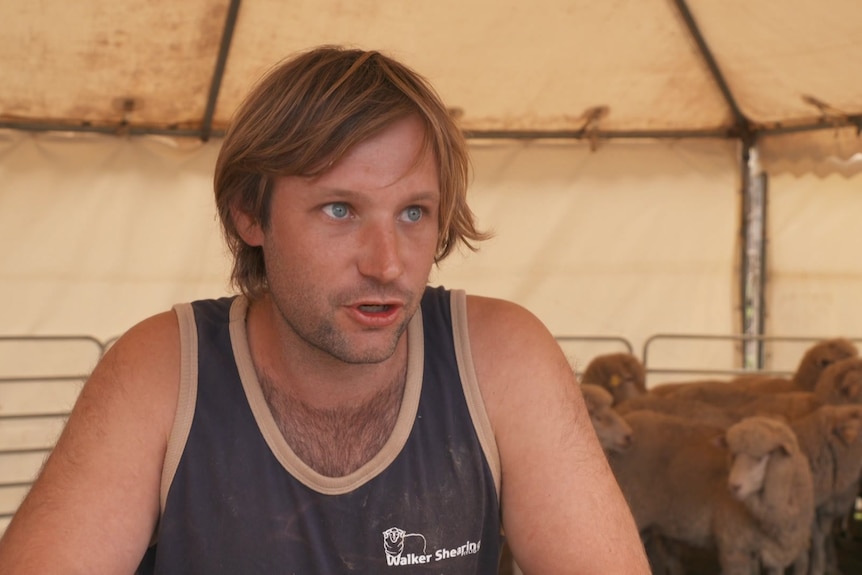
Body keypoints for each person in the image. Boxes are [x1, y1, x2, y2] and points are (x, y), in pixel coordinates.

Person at [0, 46, 649, 574]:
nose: (387, 264)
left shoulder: (504, 357)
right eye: (340, 209)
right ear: (250, 214)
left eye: (414, 213)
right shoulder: (161, 371)